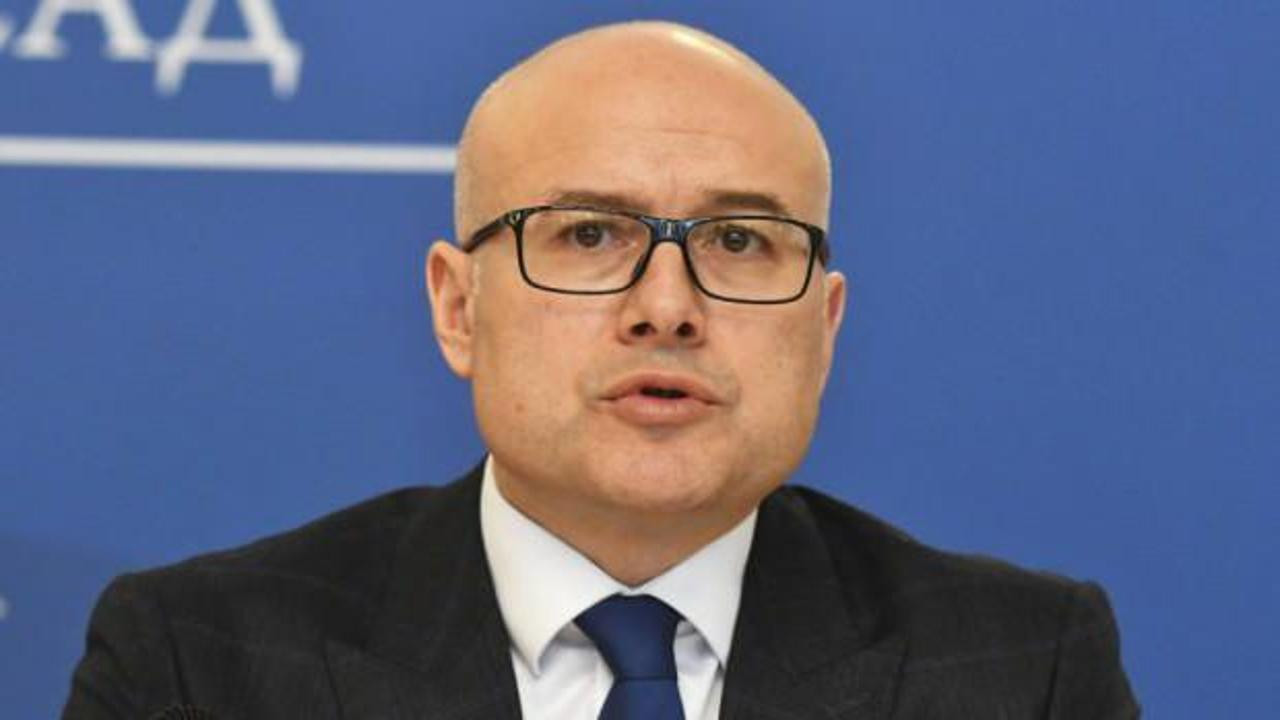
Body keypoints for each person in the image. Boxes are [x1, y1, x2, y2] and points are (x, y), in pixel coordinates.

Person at [62, 21, 1138, 720]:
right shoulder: (202, 665)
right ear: (457, 307)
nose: (666, 307)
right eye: (587, 235)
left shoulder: (1019, 670)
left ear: (823, 326)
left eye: (737, 242)